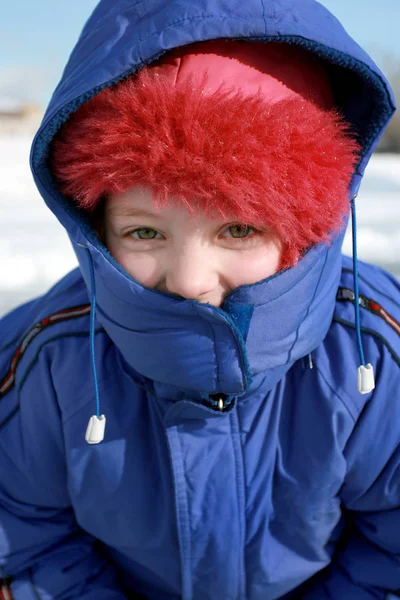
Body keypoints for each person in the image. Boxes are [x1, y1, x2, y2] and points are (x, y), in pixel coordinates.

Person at [0, 0, 399, 599]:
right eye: (144, 232)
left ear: (305, 229)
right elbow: (26, 539)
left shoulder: (371, 352)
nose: (188, 281)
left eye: (238, 229)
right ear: (95, 223)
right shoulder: (46, 361)